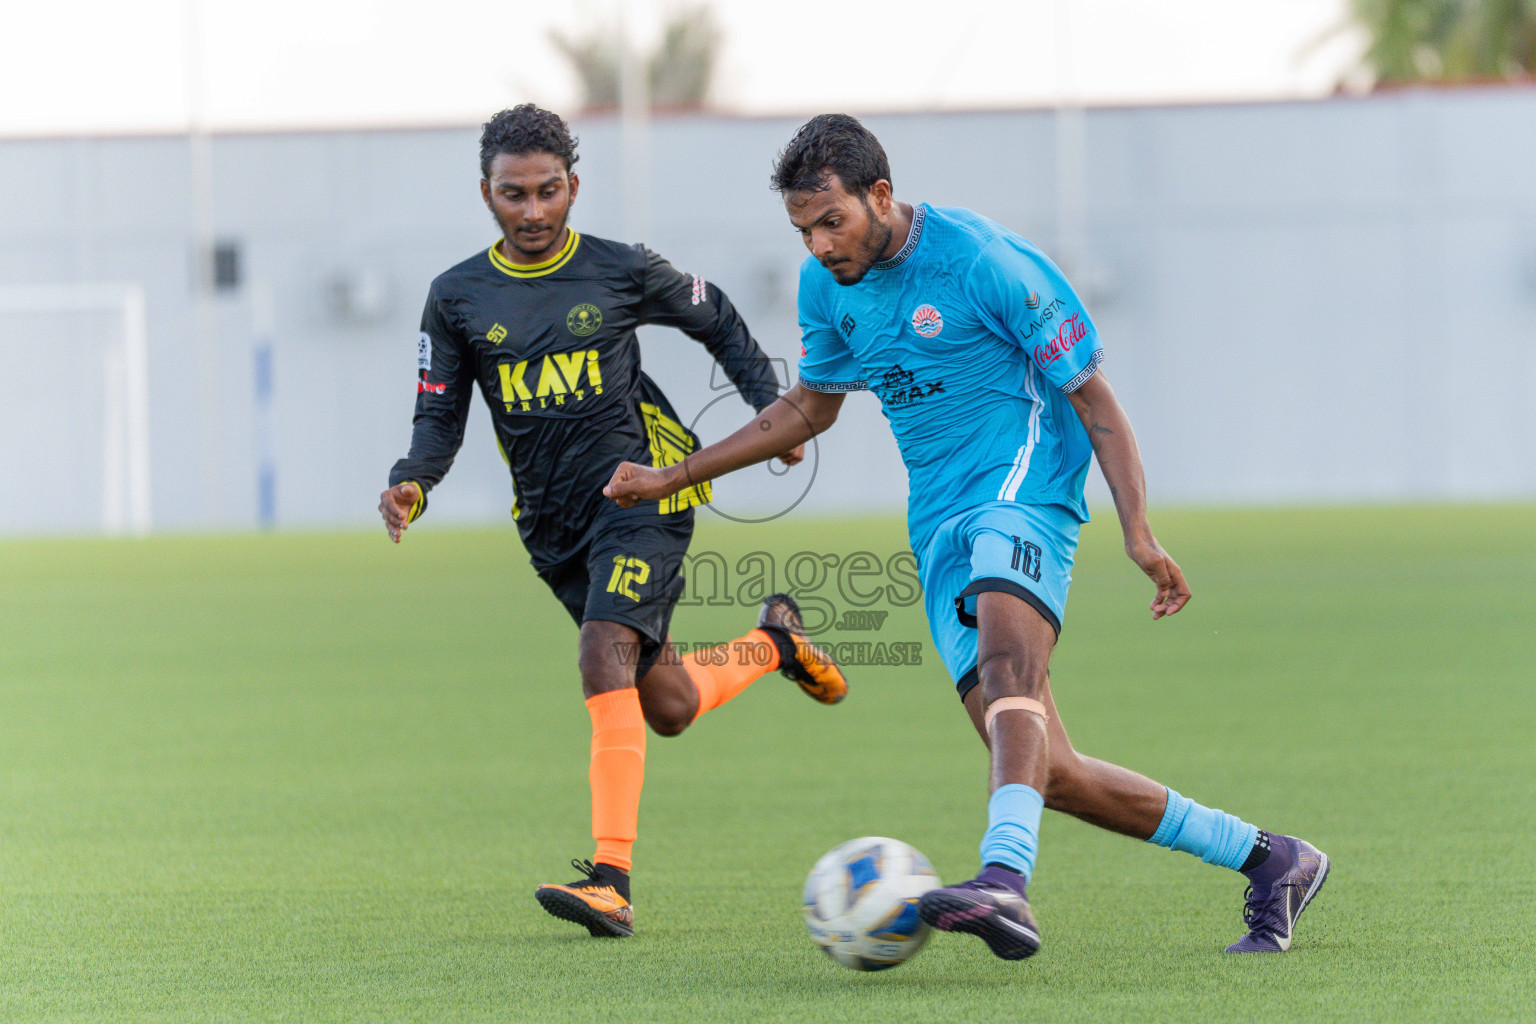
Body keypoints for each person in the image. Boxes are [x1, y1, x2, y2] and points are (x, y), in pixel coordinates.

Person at [605, 114, 1327, 959]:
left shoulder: (989, 263)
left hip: (1026, 491)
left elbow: (1097, 402)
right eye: (803, 230)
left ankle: (1003, 882)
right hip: (940, 519)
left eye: (832, 221)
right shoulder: (824, 287)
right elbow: (810, 407)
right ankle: (1272, 859)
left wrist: (1137, 531)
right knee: (1045, 769)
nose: (820, 244)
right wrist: (668, 476)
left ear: (880, 195)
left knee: (1007, 666)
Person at [378, 105, 847, 940]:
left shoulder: (620, 269)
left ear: (574, 188)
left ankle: (611, 880)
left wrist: (767, 409)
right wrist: (413, 481)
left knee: (603, 653)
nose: (531, 212)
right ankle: (774, 642)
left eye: (547, 192)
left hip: (646, 494)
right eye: (512, 194)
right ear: (485, 193)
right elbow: (438, 411)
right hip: (551, 525)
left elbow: (717, 315)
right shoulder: (455, 297)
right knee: (662, 701)